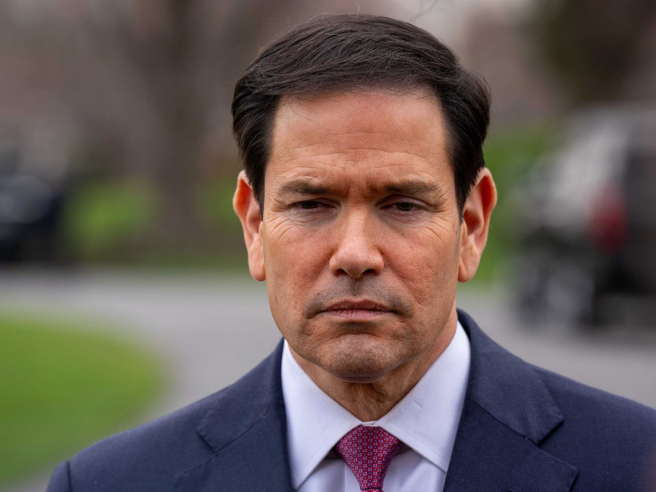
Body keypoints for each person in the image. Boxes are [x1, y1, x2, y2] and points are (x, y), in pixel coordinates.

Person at [47, 14, 656, 492]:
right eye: (312, 204)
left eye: (403, 205)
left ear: (471, 224)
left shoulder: (635, 465)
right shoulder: (111, 483)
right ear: (254, 225)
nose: (357, 254)